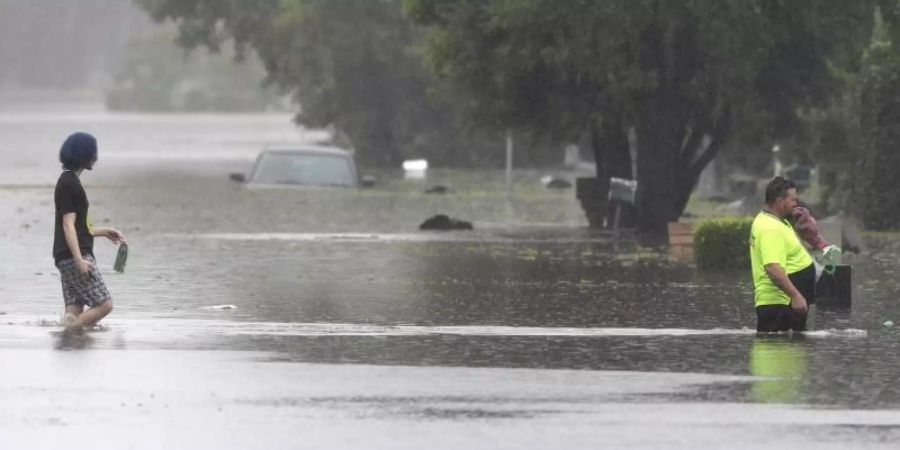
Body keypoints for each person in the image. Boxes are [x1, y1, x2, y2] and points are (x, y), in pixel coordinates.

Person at [53, 132, 126, 331]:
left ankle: (69, 343)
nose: (96, 157)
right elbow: (68, 225)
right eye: (93, 153)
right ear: (83, 155)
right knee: (105, 304)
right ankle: (71, 331)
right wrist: (79, 260)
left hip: (64, 256)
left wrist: (104, 231)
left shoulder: (68, 181)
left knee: (74, 309)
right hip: (74, 256)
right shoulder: (70, 184)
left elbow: (78, 227)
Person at [749, 176, 815, 332]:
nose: (795, 204)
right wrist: (795, 296)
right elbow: (772, 267)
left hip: (785, 304)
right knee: (780, 349)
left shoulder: (775, 220)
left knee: (792, 351)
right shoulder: (771, 229)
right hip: (780, 305)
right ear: (779, 200)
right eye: (792, 200)